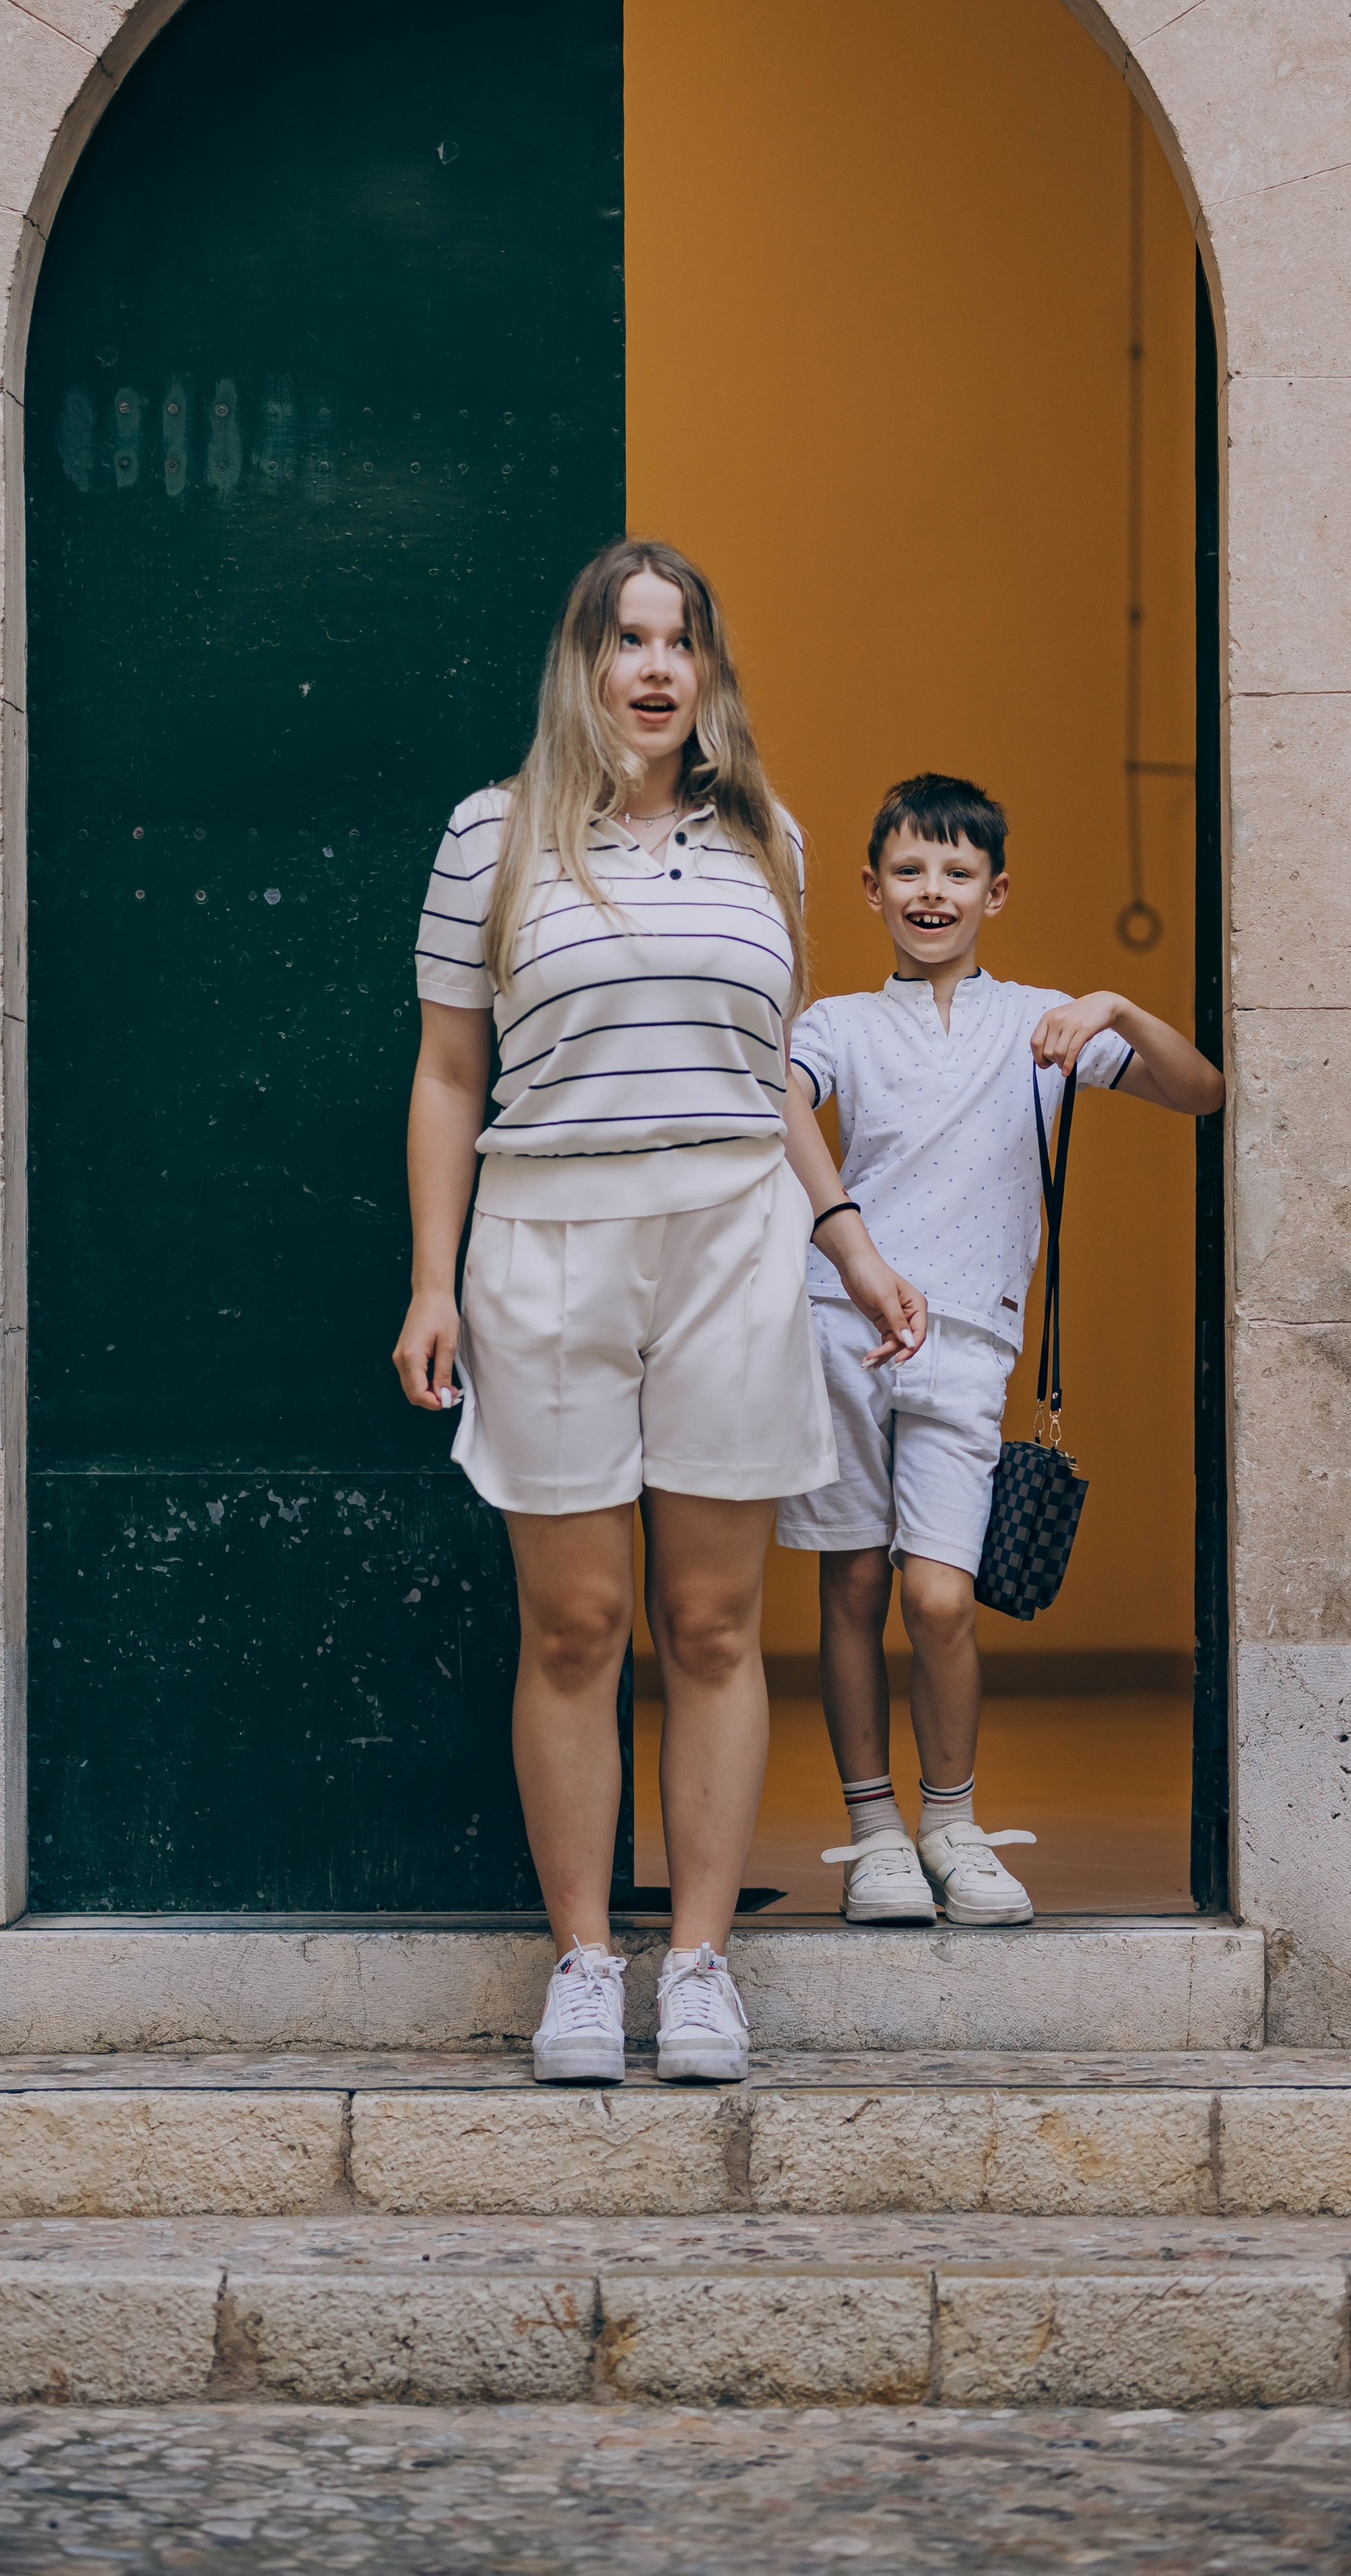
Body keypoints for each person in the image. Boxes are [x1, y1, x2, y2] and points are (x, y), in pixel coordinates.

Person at [391, 540, 927, 2084]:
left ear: (704, 672)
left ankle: (695, 1964)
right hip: (548, 1230)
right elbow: (445, 1072)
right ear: (582, 666)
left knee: (707, 1621)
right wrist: (433, 1281)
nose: (651, 669)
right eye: (624, 640)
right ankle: (580, 1964)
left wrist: (847, 1242)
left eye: (676, 642)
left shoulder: (773, 844)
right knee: (575, 1621)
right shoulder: (489, 838)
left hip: (731, 1238)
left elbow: (766, 1085)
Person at [775, 772, 1224, 1928]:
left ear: (996, 892)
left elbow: (1202, 1091)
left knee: (939, 1599)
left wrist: (1113, 1007)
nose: (934, 892)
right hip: (842, 1328)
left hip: (970, 1346)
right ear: (873, 889)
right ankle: (874, 1834)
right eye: (911, 872)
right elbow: (771, 1091)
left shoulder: (1044, 1022)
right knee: (855, 1582)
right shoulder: (838, 1026)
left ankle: (954, 1824)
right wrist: (846, 1238)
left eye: (958, 873)